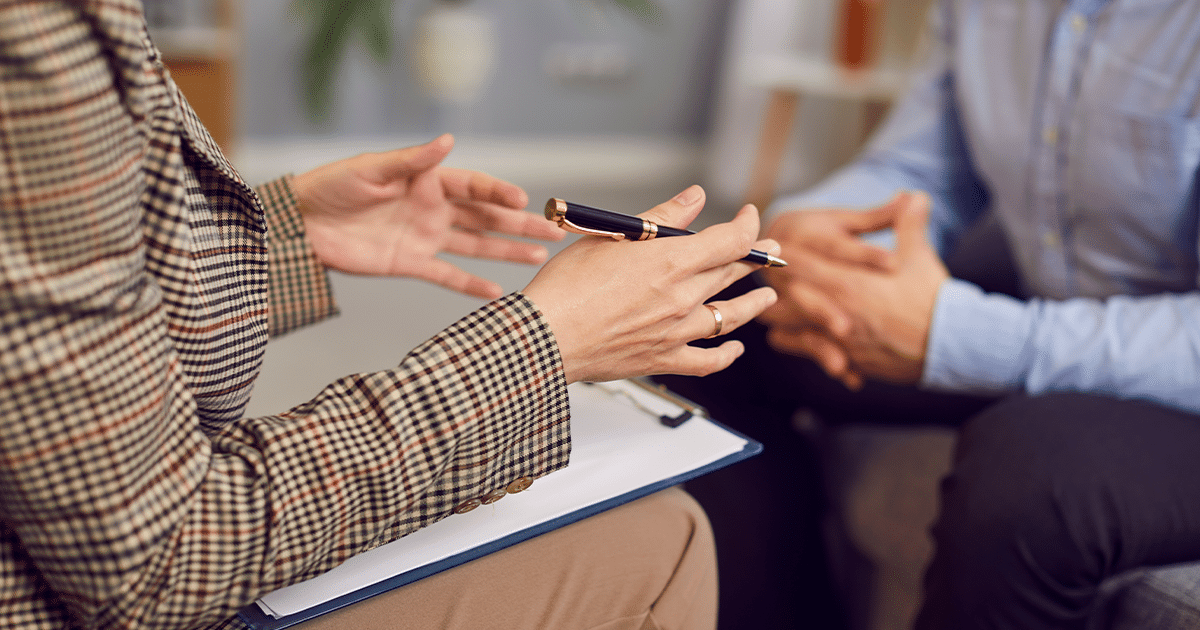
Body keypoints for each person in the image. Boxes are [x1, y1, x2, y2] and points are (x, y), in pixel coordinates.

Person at [0, 3, 780, 629]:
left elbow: (55, 336)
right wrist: (538, 347)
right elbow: (157, 563)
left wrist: (283, 238)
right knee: (659, 540)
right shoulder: (34, 41)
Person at [658, 1, 1200, 629]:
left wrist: (960, 336)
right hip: (1063, 319)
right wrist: (812, 244)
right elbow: (921, 168)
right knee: (720, 314)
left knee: (1032, 475)